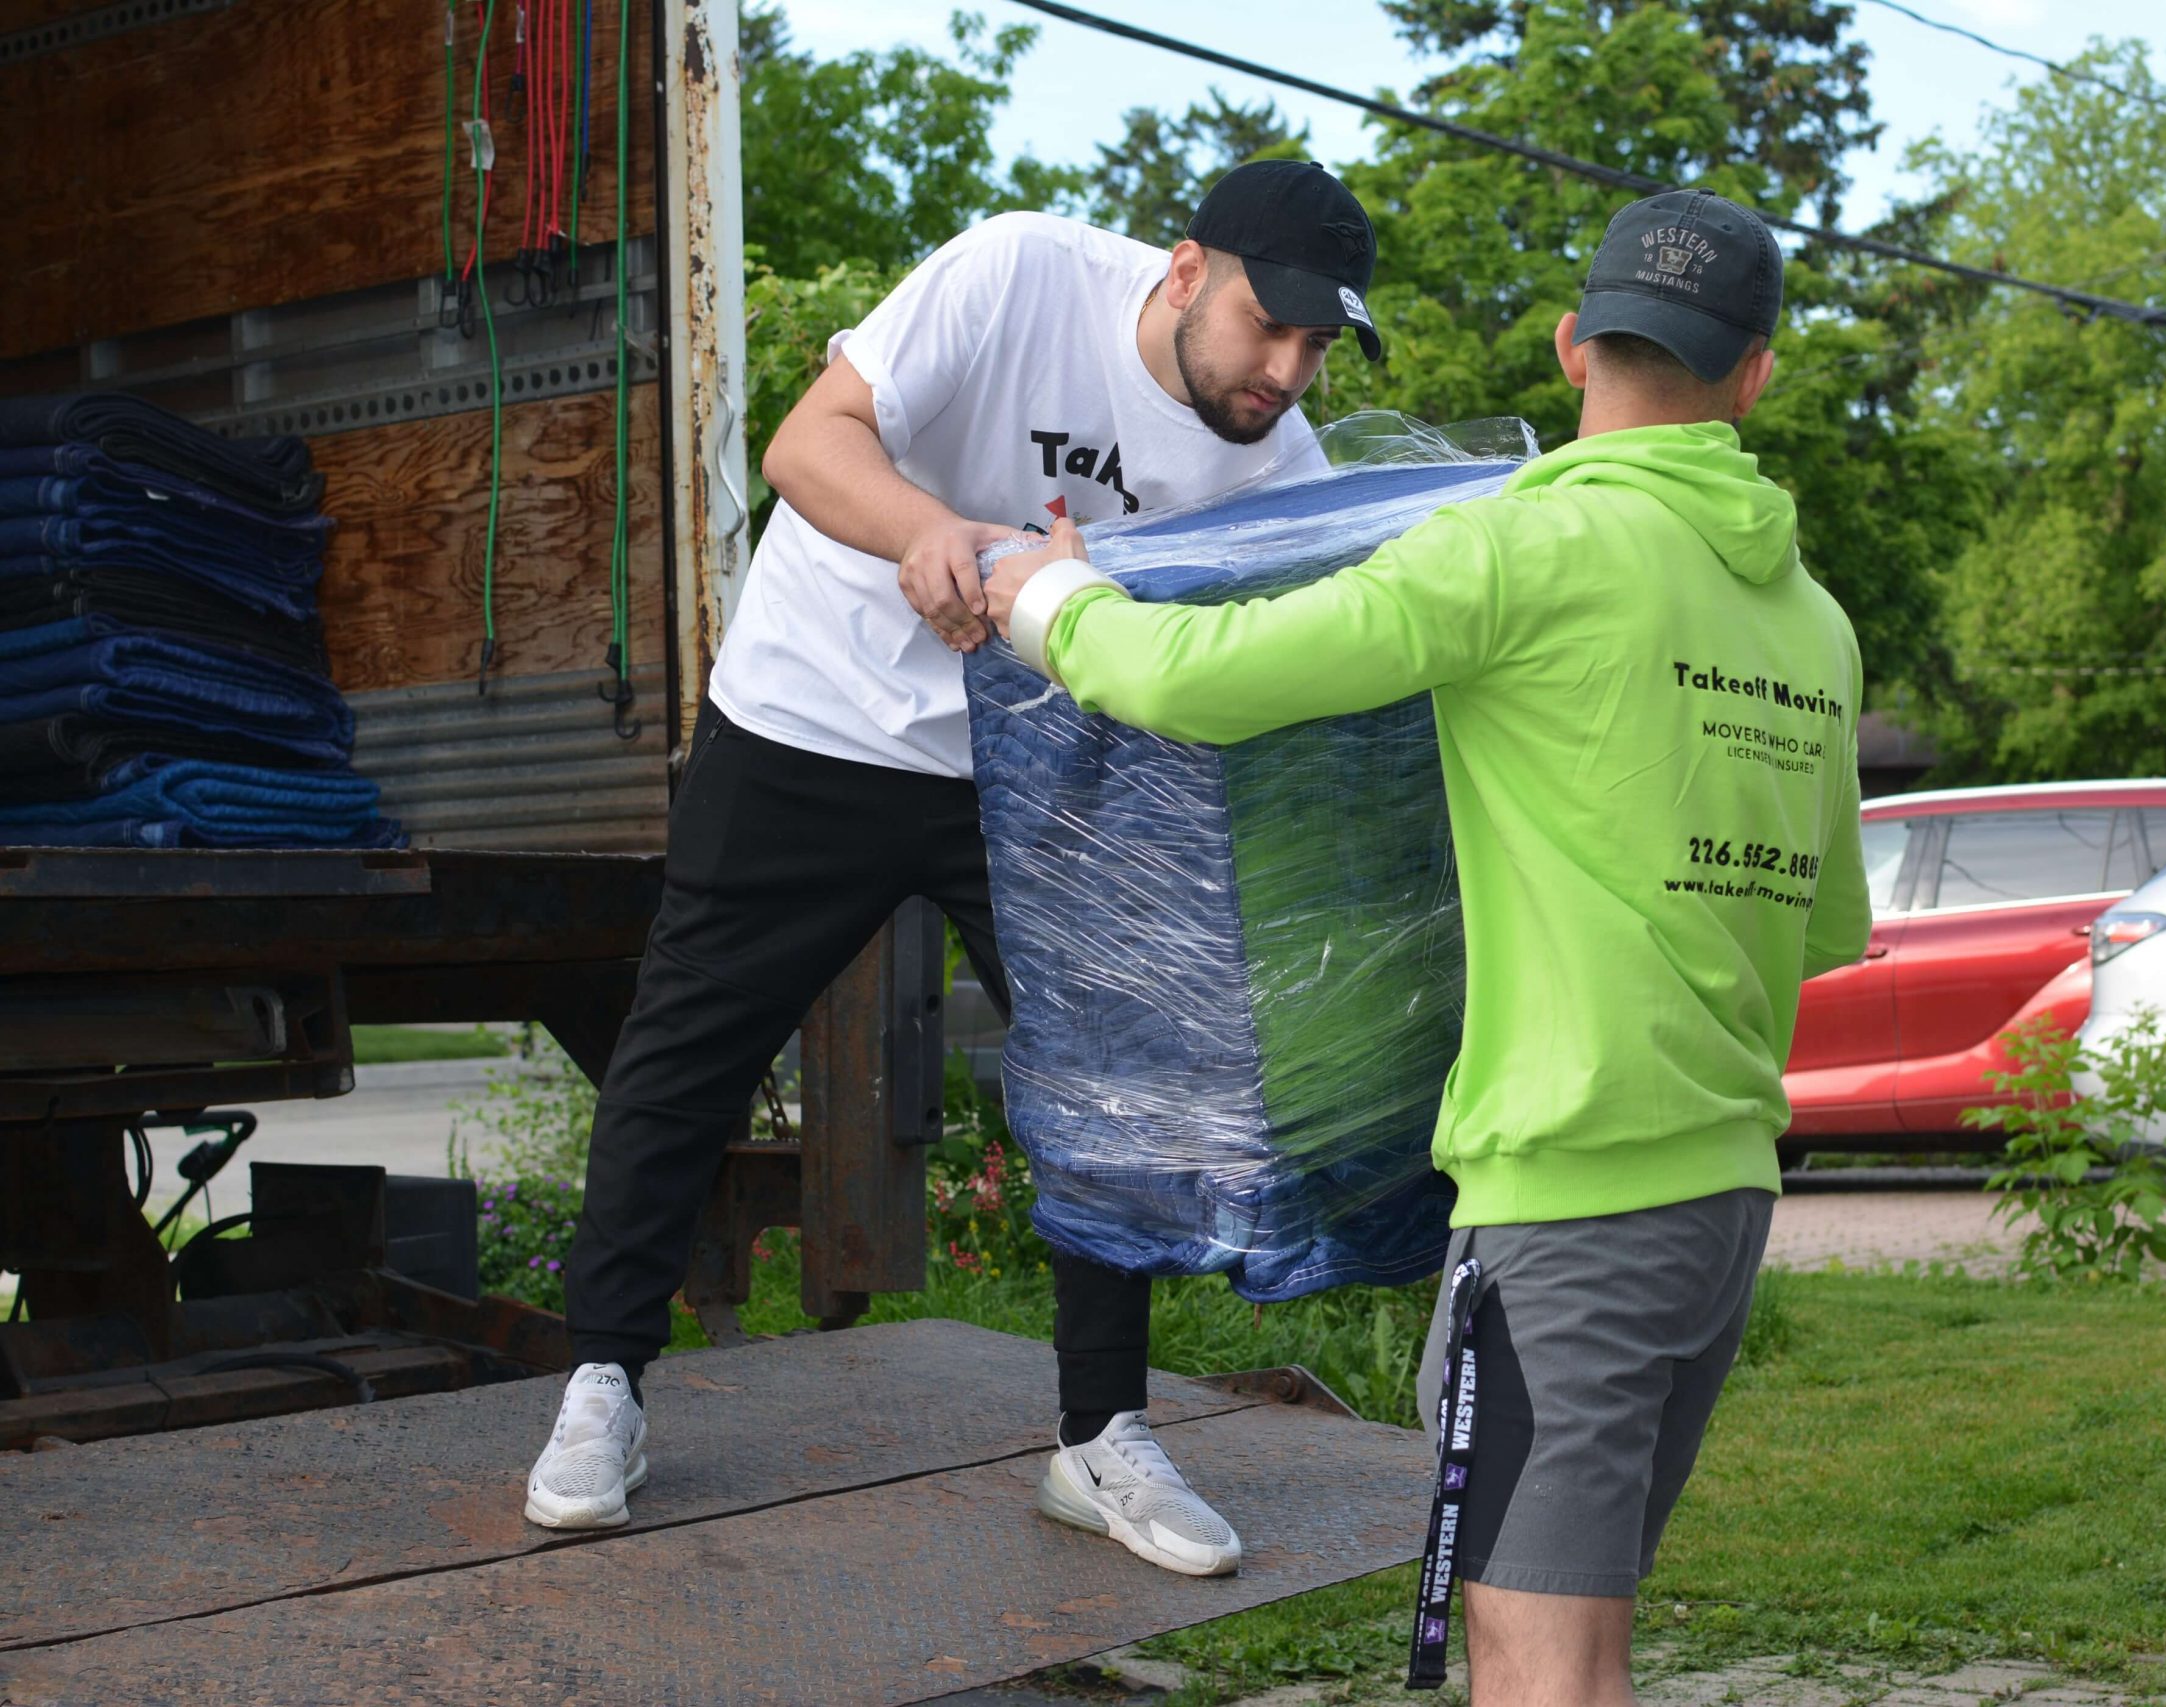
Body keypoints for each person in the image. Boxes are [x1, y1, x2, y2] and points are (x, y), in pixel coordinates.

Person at [983, 190, 1869, 1702]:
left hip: (1567, 1212)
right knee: (1578, 1628)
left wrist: (1046, 597)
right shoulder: (1812, 620)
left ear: (1573, 345)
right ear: (1757, 376)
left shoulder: (1521, 551)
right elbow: (1824, 922)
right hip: (1720, 1195)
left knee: (1536, 1652)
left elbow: (1211, 676)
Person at [522, 162, 1387, 1580]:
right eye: (1266, 325)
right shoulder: (1018, 272)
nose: (1286, 370)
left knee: (1103, 1088)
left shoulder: (1282, 463)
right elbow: (808, 447)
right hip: (817, 712)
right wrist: (927, 527)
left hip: (1044, 772)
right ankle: (602, 1385)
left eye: (1319, 345)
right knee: (685, 1049)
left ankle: (1099, 1435)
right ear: (1183, 271)